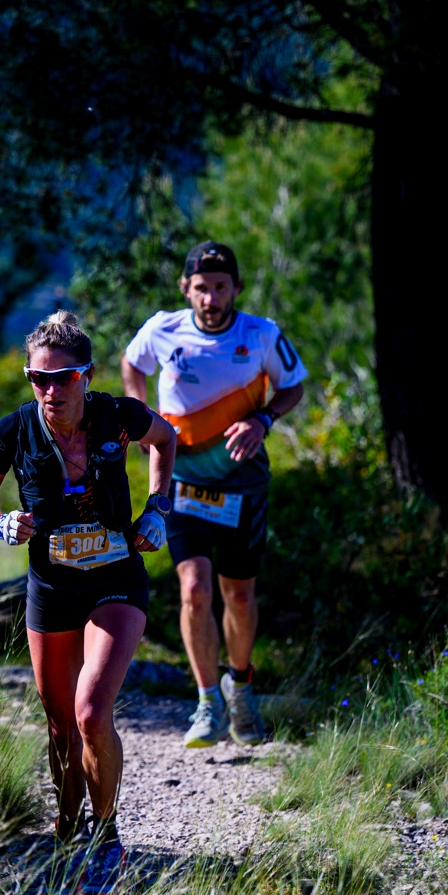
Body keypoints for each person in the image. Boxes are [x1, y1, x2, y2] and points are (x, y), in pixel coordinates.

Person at [0, 310, 177, 895]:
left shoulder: (118, 416)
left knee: (90, 713)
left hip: (115, 579)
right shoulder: (13, 430)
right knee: (60, 728)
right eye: (38, 378)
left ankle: (106, 838)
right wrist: (1, 521)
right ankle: (66, 831)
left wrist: (158, 510)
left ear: (87, 376)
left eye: (62, 378)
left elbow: (167, 440)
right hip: (52, 587)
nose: (50, 390)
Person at [121, 240, 307, 748]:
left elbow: (294, 385)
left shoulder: (261, 334)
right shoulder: (163, 329)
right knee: (194, 590)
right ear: (186, 288)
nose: (211, 298)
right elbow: (132, 364)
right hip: (181, 482)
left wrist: (263, 419)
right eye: (201, 288)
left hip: (243, 484)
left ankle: (240, 689)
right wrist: (142, 416)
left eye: (221, 287)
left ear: (236, 288)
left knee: (239, 596)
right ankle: (207, 701)